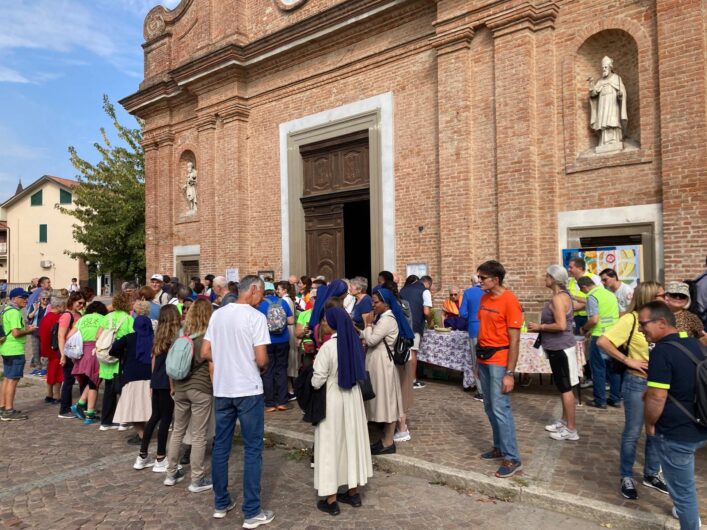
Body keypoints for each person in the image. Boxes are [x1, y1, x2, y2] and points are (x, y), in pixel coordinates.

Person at [201, 275, 274, 526]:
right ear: (253, 290)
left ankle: (221, 502)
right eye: (261, 292)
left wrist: (226, 357)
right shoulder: (256, 317)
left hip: (223, 387)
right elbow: (262, 359)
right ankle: (252, 511)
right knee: (253, 448)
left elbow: (205, 351)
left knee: (221, 445)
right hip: (248, 387)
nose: (262, 297)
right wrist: (256, 365)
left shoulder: (218, 314)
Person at [596, 282, 668, 500]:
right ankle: (626, 475)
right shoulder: (632, 318)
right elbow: (603, 341)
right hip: (637, 382)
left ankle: (652, 473)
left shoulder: (662, 321)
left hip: (659, 385)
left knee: (655, 430)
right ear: (648, 297)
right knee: (632, 431)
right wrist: (628, 360)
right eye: (660, 295)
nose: (665, 299)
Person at [642, 301, 707, 529]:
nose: (641, 329)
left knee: (683, 490)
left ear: (661, 323)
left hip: (676, 432)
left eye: (643, 324)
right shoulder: (694, 342)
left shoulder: (662, 351)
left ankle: (691, 523)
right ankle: (682, 512)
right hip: (701, 421)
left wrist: (649, 424)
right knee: (684, 487)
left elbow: (657, 396)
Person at [312, 307, 373, 516]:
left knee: (331, 444)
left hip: (333, 397)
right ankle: (353, 492)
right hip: (353, 397)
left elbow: (318, 378)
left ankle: (331, 499)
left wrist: (312, 380)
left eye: (327, 321)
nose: (325, 323)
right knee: (352, 442)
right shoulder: (354, 343)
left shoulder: (328, 347)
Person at [475, 260, 523, 478]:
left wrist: (509, 373)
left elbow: (515, 341)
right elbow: (483, 331)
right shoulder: (484, 298)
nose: (479, 280)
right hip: (484, 358)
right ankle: (499, 447)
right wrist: (477, 361)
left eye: (482, 277)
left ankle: (512, 457)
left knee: (500, 407)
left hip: (500, 359)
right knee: (488, 406)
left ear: (495, 279)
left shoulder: (510, 301)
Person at [164, 298, 214, 491]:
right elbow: (211, 364)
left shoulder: (182, 333)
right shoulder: (207, 336)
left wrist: (173, 386)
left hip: (180, 387)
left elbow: (172, 360)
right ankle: (197, 478)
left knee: (177, 431)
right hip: (200, 388)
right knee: (199, 434)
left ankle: (170, 473)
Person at [527, 265, 579, 441]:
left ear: (553, 279)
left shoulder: (558, 299)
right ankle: (565, 421)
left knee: (565, 388)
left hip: (560, 347)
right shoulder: (564, 296)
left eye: (546, 276)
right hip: (559, 346)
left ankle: (571, 429)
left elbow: (561, 325)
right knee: (563, 386)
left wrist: (540, 327)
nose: (544, 279)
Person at [135, 304, 179, 472]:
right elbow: (171, 364)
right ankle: (160, 457)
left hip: (156, 380)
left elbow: (154, 361)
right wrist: (172, 386)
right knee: (165, 419)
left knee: (155, 417)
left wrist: (152, 382)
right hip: (167, 382)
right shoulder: (173, 338)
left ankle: (142, 454)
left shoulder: (158, 336)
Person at [363, 289, 406, 455]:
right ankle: (385, 440)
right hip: (377, 362)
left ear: (386, 303)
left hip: (383, 364)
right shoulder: (382, 319)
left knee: (387, 402)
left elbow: (372, 339)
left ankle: (388, 442)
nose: (373, 305)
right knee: (382, 399)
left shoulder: (387, 319)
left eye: (376, 302)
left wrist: (367, 324)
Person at [579, 277, 621, 408]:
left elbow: (594, 319)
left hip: (599, 336)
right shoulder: (609, 294)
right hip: (614, 335)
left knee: (598, 369)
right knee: (614, 369)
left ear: (584, 287)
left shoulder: (592, 296)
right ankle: (615, 398)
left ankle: (600, 400)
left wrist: (584, 328)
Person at [97, 291, 135, 430]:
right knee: (123, 391)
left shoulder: (107, 317)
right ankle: (123, 421)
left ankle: (106, 422)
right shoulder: (128, 318)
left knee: (109, 391)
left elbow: (98, 335)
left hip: (106, 359)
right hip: (121, 359)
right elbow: (131, 338)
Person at [69, 300, 109, 424]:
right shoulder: (104, 319)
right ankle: (88, 413)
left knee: (92, 381)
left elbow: (70, 335)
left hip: (82, 351)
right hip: (95, 351)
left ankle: (83, 406)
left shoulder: (83, 319)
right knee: (95, 381)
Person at [258, 282, 295, 412]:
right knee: (282, 369)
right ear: (274, 291)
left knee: (268, 371)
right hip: (283, 340)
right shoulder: (282, 302)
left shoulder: (261, 304)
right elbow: (291, 321)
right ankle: (282, 402)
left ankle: (269, 403)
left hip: (267, 341)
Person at [0, 288, 34, 421]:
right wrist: (29, 331)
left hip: (6, 348)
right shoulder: (14, 312)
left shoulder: (5, 310)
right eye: (23, 297)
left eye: (26, 297)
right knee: (13, 380)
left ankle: (3, 407)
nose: (26, 299)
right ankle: (9, 410)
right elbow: (16, 333)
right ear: (14, 298)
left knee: (7, 379)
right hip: (15, 349)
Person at [400, 275, 432, 390]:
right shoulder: (425, 291)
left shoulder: (403, 289)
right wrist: (430, 321)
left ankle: (402, 378)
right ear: (428, 284)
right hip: (415, 325)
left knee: (403, 351)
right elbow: (427, 312)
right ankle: (413, 380)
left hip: (402, 325)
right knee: (413, 352)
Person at [57, 292, 86, 419]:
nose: (81, 305)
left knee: (82, 379)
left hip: (77, 351)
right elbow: (61, 335)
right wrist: (63, 355)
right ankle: (64, 409)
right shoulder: (67, 315)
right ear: (72, 301)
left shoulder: (79, 314)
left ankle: (83, 406)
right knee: (68, 381)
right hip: (69, 352)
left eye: (83, 303)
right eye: (79, 303)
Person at [459, 275, 485, 400]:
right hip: (489, 329)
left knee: (477, 360)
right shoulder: (488, 291)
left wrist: (473, 317)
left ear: (472, 282)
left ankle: (481, 391)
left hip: (474, 328)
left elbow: (462, 313)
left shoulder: (469, 292)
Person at [38, 295, 65, 404]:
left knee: (50, 371)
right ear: (59, 306)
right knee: (58, 372)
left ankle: (49, 394)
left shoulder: (45, 317)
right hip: (56, 349)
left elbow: (41, 334)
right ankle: (57, 395)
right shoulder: (57, 318)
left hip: (46, 349)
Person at [276, 280, 299, 401]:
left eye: (279, 289)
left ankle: (290, 390)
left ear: (284, 290)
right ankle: (291, 389)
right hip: (291, 328)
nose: (277, 291)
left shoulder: (284, 300)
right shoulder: (289, 299)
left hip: (288, 329)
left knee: (289, 360)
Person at [567, 257, 600, 332]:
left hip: (590, 316)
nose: (569, 269)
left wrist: (582, 306)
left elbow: (599, 298)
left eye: (571, 267)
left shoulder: (594, 278)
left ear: (579, 268)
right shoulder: (570, 281)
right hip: (575, 318)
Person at [27, 290, 50, 374]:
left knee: (44, 349)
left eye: (47, 299)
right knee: (35, 350)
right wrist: (35, 309)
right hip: (35, 330)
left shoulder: (50, 307)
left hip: (46, 331)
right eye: (43, 299)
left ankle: (45, 367)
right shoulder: (34, 305)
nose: (45, 301)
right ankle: (37, 366)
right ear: (40, 298)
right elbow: (29, 317)